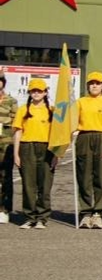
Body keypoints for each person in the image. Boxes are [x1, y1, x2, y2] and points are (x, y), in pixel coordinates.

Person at [75, 71, 102, 229]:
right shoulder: (80, 102)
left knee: (100, 177)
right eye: (92, 83)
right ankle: (85, 212)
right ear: (87, 85)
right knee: (84, 176)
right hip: (84, 137)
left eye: (97, 83)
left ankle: (98, 212)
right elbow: (73, 122)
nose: (94, 86)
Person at [12, 78, 57, 229]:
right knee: (28, 184)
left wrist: (56, 155)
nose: (36, 93)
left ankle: (42, 217)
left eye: (40, 91)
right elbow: (18, 132)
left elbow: (58, 135)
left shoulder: (52, 110)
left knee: (44, 184)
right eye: (33, 91)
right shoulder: (23, 110)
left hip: (46, 148)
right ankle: (29, 216)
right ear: (29, 93)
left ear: (45, 92)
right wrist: (16, 154)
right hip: (27, 147)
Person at [0, 74, 17, 224]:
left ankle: (4, 209)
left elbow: (15, 124)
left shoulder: (11, 101)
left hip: (6, 144)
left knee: (6, 177)